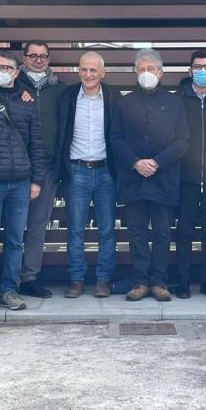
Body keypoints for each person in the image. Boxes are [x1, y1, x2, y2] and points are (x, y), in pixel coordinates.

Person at [111, 48, 189, 301]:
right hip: (133, 178)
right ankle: (140, 281)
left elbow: (183, 140)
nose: (146, 74)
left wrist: (156, 162)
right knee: (137, 233)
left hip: (163, 178)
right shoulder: (123, 103)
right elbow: (116, 138)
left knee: (163, 233)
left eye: (151, 69)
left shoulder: (175, 102)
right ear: (136, 72)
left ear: (161, 72)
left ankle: (159, 281)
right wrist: (135, 162)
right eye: (142, 69)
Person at [0, 52, 46, 314]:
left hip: (21, 182)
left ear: (16, 72)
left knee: (16, 240)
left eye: (5, 67)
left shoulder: (29, 103)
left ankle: (9, 290)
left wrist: (37, 180)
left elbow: (37, 144)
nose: (0, 71)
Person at [55, 51, 120, 299]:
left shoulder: (113, 97)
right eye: (84, 69)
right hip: (77, 170)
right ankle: (76, 279)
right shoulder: (68, 97)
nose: (88, 74)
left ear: (102, 73)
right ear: (78, 71)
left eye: (93, 70)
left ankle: (104, 280)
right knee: (75, 229)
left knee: (107, 229)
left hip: (106, 171)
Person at [174, 49, 206, 300]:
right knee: (183, 231)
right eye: (198, 67)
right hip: (186, 177)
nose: (202, 71)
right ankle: (182, 281)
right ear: (190, 70)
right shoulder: (179, 99)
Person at [16, 40, 66, 298]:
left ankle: (29, 277)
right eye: (33, 56)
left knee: (37, 225)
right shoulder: (11, 86)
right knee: (11, 225)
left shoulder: (60, 90)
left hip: (46, 168)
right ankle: (7, 278)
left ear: (49, 59)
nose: (38, 60)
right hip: (12, 168)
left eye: (43, 56)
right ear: (23, 58)